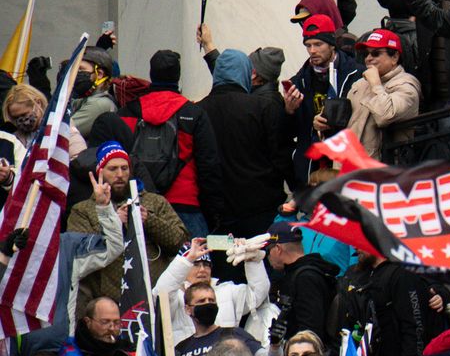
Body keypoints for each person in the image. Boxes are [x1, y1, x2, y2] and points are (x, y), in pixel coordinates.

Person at [121, 48, 226, 236]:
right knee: (193, 263)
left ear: (151, 74)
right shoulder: (194, 114)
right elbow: (208, 166)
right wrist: (215, 212)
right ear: (178, 76)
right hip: (185, 204)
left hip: (140, 202)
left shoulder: (127, 113)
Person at [63, 146, 177, 311]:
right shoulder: (82, 210)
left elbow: (179, 240)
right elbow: (80, 253)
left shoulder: (155, 202)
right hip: (104, 303)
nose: (120, 174)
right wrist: (114, 222)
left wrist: (150, 221)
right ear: (100, 172)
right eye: (113, 169)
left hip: (151, 298)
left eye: (125, 168)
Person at [194, 46, 289, 239]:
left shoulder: (199, 111)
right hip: (260, 208)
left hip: (216, 210)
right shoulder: (261, 107)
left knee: (223, 264)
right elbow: (280, 156)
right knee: (257, 263)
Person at [282, 16, 366, 186]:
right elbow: (291, 131)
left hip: (345, 160)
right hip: (313, 166)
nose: (312, 50)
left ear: (332, 44)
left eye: (318, 44)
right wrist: (289, 111)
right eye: (308, 45)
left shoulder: (356, 73)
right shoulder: (300, 80)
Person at [154, 237, 270, 344]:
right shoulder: (176, 297)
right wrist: (186, 260)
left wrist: (253, 261)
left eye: (206, 264)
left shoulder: (226, 291)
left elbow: (257, 295)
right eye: (195, 264)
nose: (202, 269)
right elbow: (161, 294)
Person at [342, 29, 421, 161]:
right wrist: (324, 124)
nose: (368, 58)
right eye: (366, 54)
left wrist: (376, 85)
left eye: (376, 53)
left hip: (386, 172)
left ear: (395, 57)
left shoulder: (407, 85)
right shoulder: (360, 84)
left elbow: (385, 116)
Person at [173, 282, 264, 356]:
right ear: (188, 309)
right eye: (201, 301)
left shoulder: (234, 334)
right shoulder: (180, 349)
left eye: (211, 300)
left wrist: (275, 345)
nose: (208, 304)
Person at [362, 254, 448, 356]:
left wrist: (441, 293)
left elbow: (414, 324)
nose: (354, 246)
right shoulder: (360, 274)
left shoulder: (403, 271)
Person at [266, 226, 338, 356]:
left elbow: (311, 329)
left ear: (277, 249)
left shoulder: (306, 278)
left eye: (268, 250)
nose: (267, 256)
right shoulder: (295, 274)